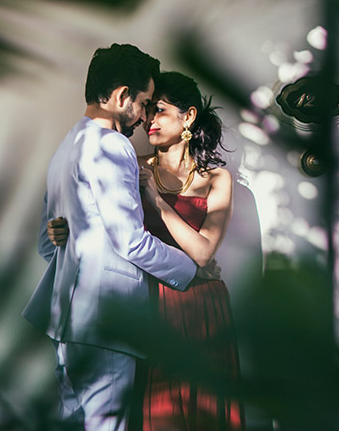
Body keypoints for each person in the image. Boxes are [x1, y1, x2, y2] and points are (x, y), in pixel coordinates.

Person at [50, 71, 245, 431]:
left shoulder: (216, 178)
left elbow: (203, 252)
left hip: (201, 306)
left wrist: (156, 200)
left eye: (161, 110)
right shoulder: (130, 163)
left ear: (188, 117)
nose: (148, 119)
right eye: (148, 109)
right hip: (145, 302)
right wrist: (63, 230)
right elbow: (105, 226)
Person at [22, 44, 200, 431]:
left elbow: (46, 243)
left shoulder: (66, 147)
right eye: (144, 103)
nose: (145, 117)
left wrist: (74, 236)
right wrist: (191, 269)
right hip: (106, 319)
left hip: (66, 320)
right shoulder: (112, 145)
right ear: (121, 96)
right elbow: (131, 241)